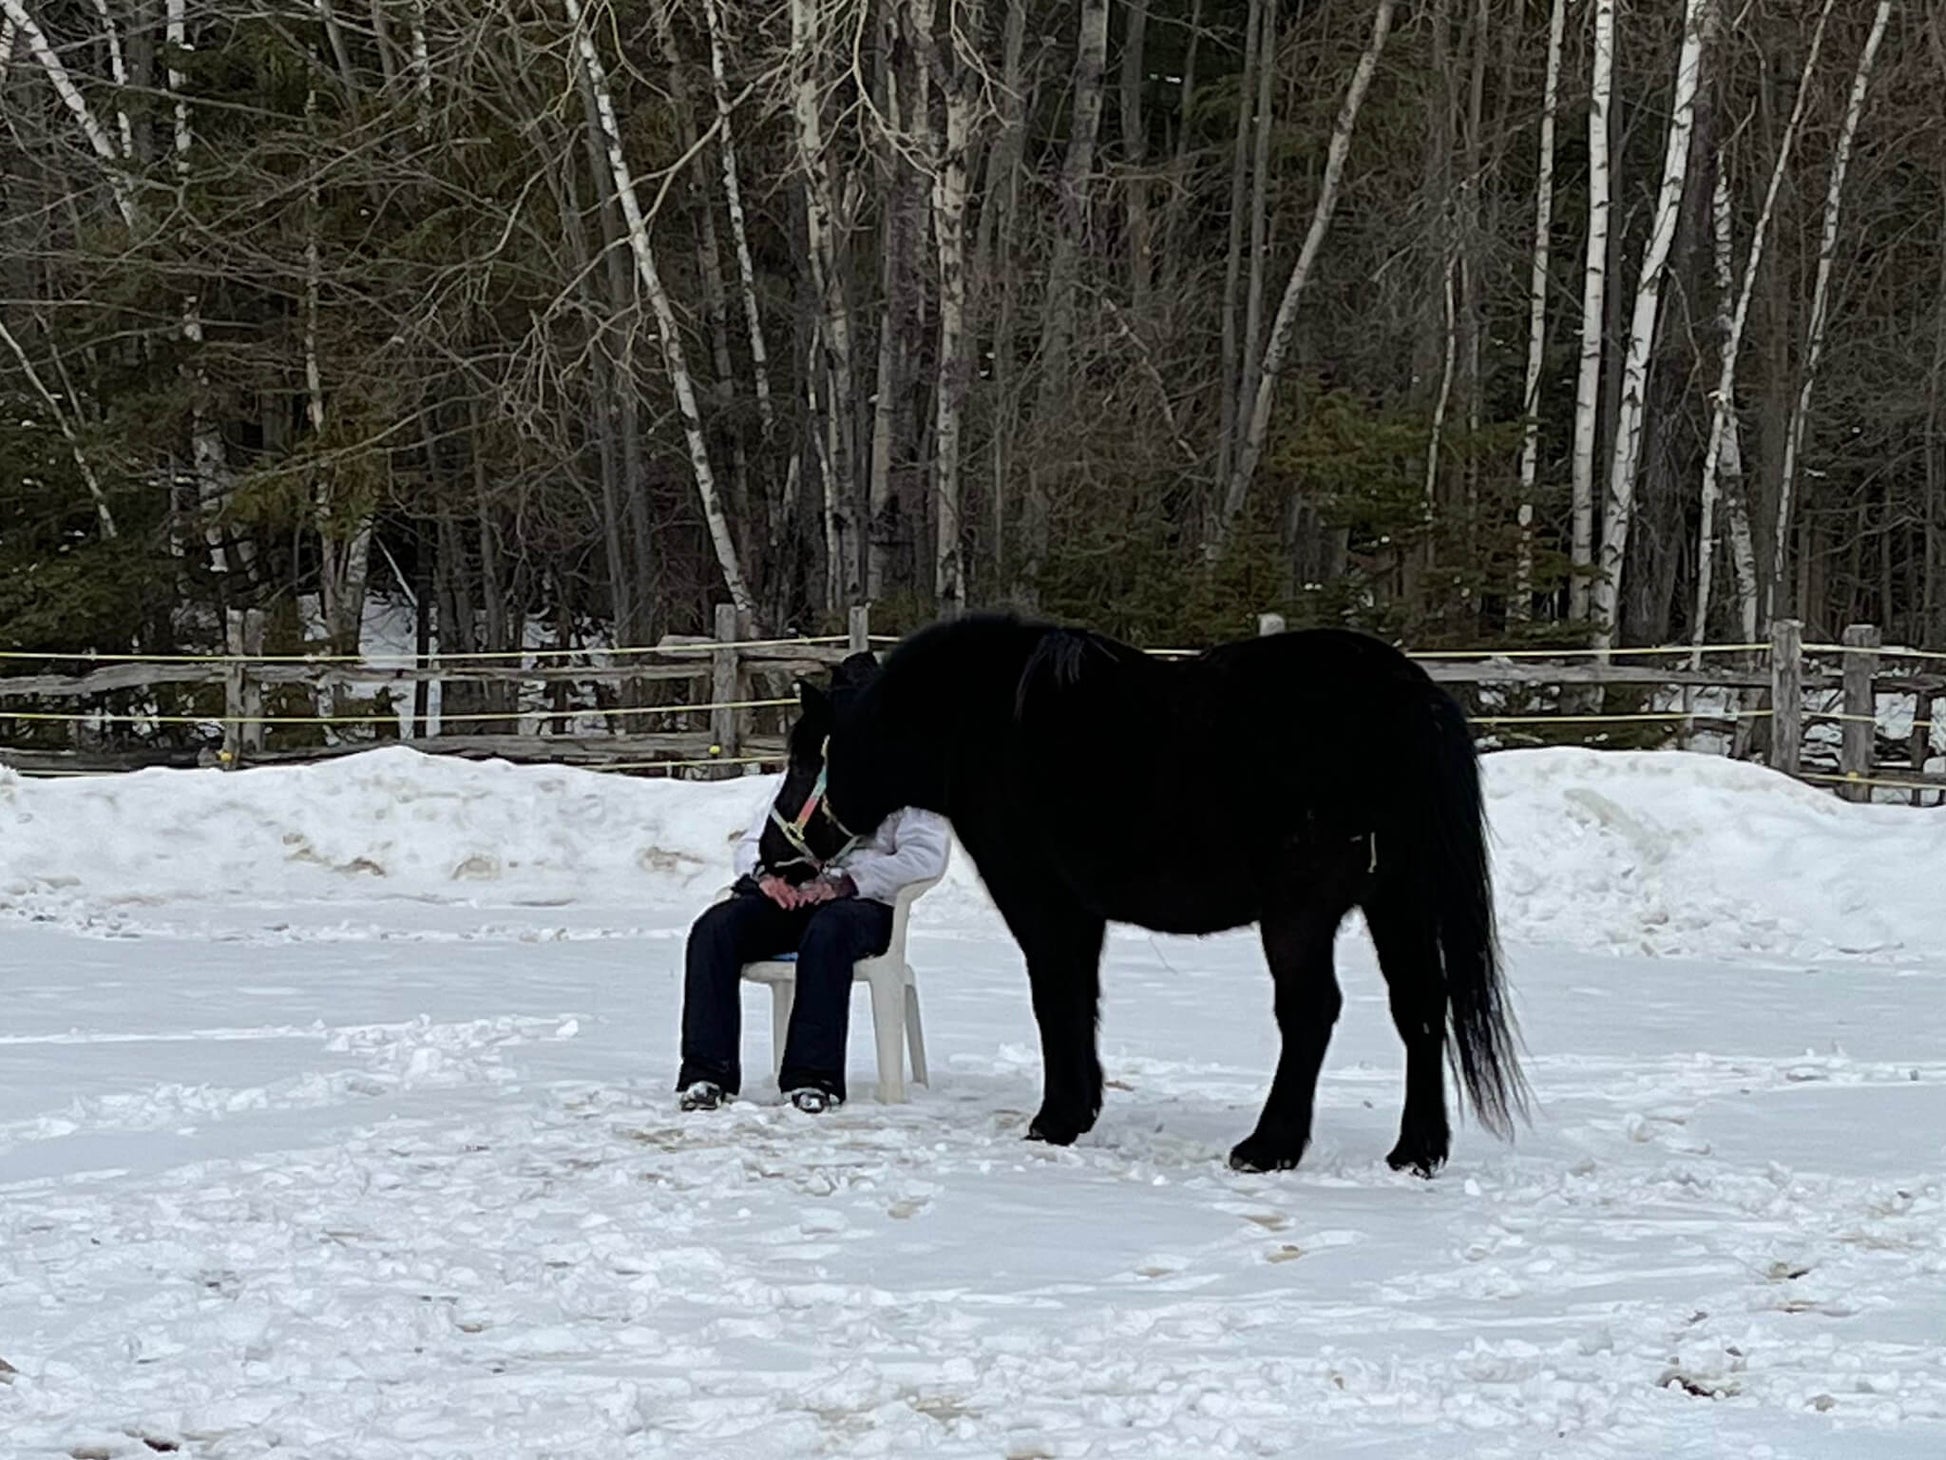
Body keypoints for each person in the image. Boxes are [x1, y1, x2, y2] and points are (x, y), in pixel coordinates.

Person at [675, 770, 950, 1116]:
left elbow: (925, 858)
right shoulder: (809, 776)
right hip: (791, 898)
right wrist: (766, 877)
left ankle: (813, 1078)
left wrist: (850, 882)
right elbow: (751, 843)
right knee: (714, 930)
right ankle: (707, 1074)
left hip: (861, 905)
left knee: (827, 932)